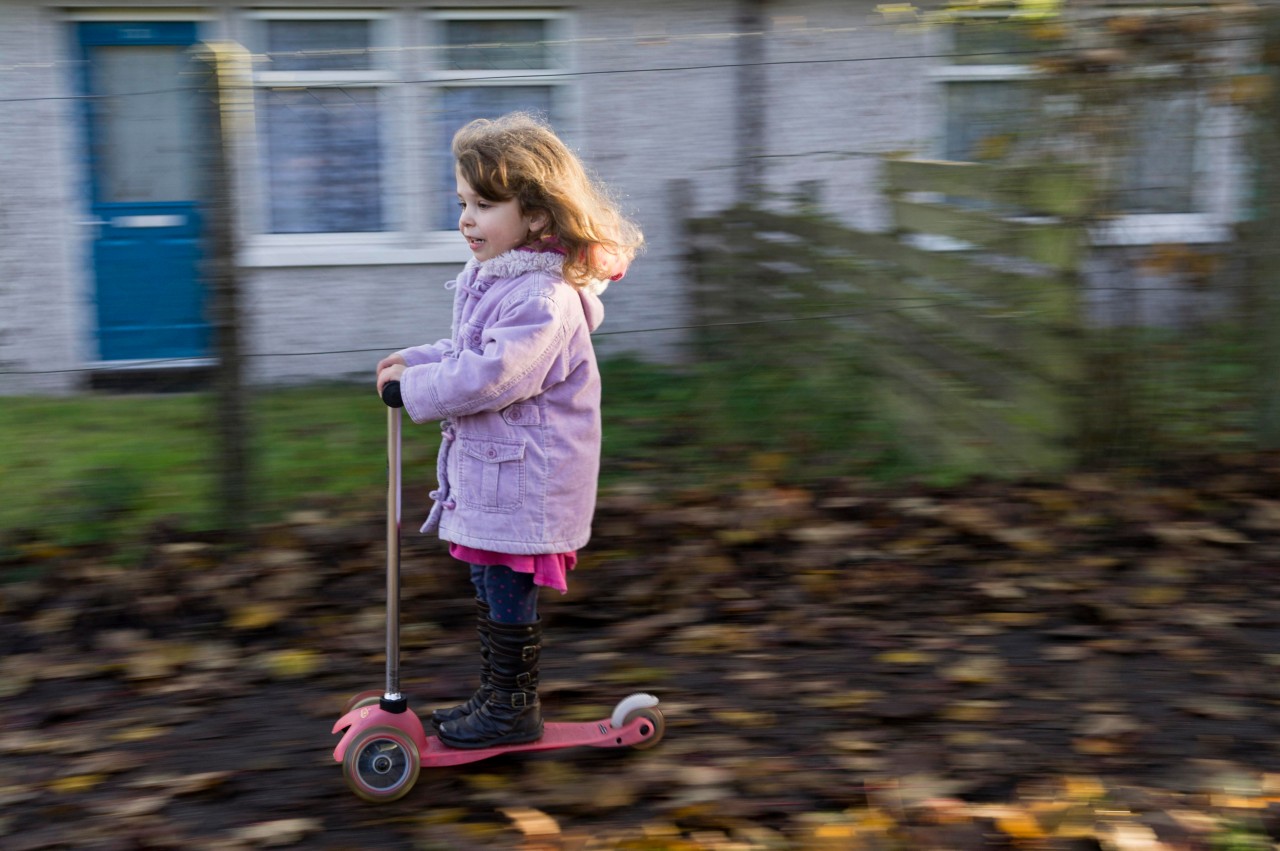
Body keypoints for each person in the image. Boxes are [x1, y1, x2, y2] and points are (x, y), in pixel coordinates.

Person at [375, 112, 643, 749]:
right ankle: (501, 698)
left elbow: (492, 375)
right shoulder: (500, 279)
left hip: (527, 482)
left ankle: (510, 709)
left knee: (504, 585)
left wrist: (413, 390)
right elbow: (468, 347)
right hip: (502, 476)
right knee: (490, 583)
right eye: (463, 203)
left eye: (486, 205)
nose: (467, 219)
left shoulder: (542, 300)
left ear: (538, 218)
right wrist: (415, 361)